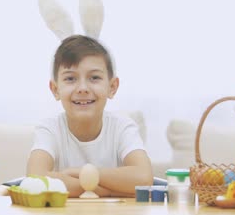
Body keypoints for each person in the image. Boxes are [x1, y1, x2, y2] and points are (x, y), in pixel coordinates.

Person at [26, 35, 153, 197]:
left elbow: (143, 178)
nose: (83, 88)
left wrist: (83, 174)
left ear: (112, 87)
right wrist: (108, 190)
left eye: (94, 78)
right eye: (70, 79)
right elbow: (36, 177)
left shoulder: (123, 127)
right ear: (55, 89)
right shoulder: (49, 129)